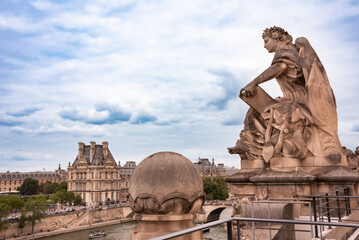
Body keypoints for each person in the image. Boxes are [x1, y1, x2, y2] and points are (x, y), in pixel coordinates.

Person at [228, 26, 344, 165]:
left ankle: (254, 151)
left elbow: (280, 68)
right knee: (255, 112)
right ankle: (251, 148)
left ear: (277, 37)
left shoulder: (286, 51)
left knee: (272, 113)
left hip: (300, 104)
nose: (264, 46)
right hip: (292, 101)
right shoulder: (292, 51)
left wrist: (254, 82)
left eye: (266, 41)